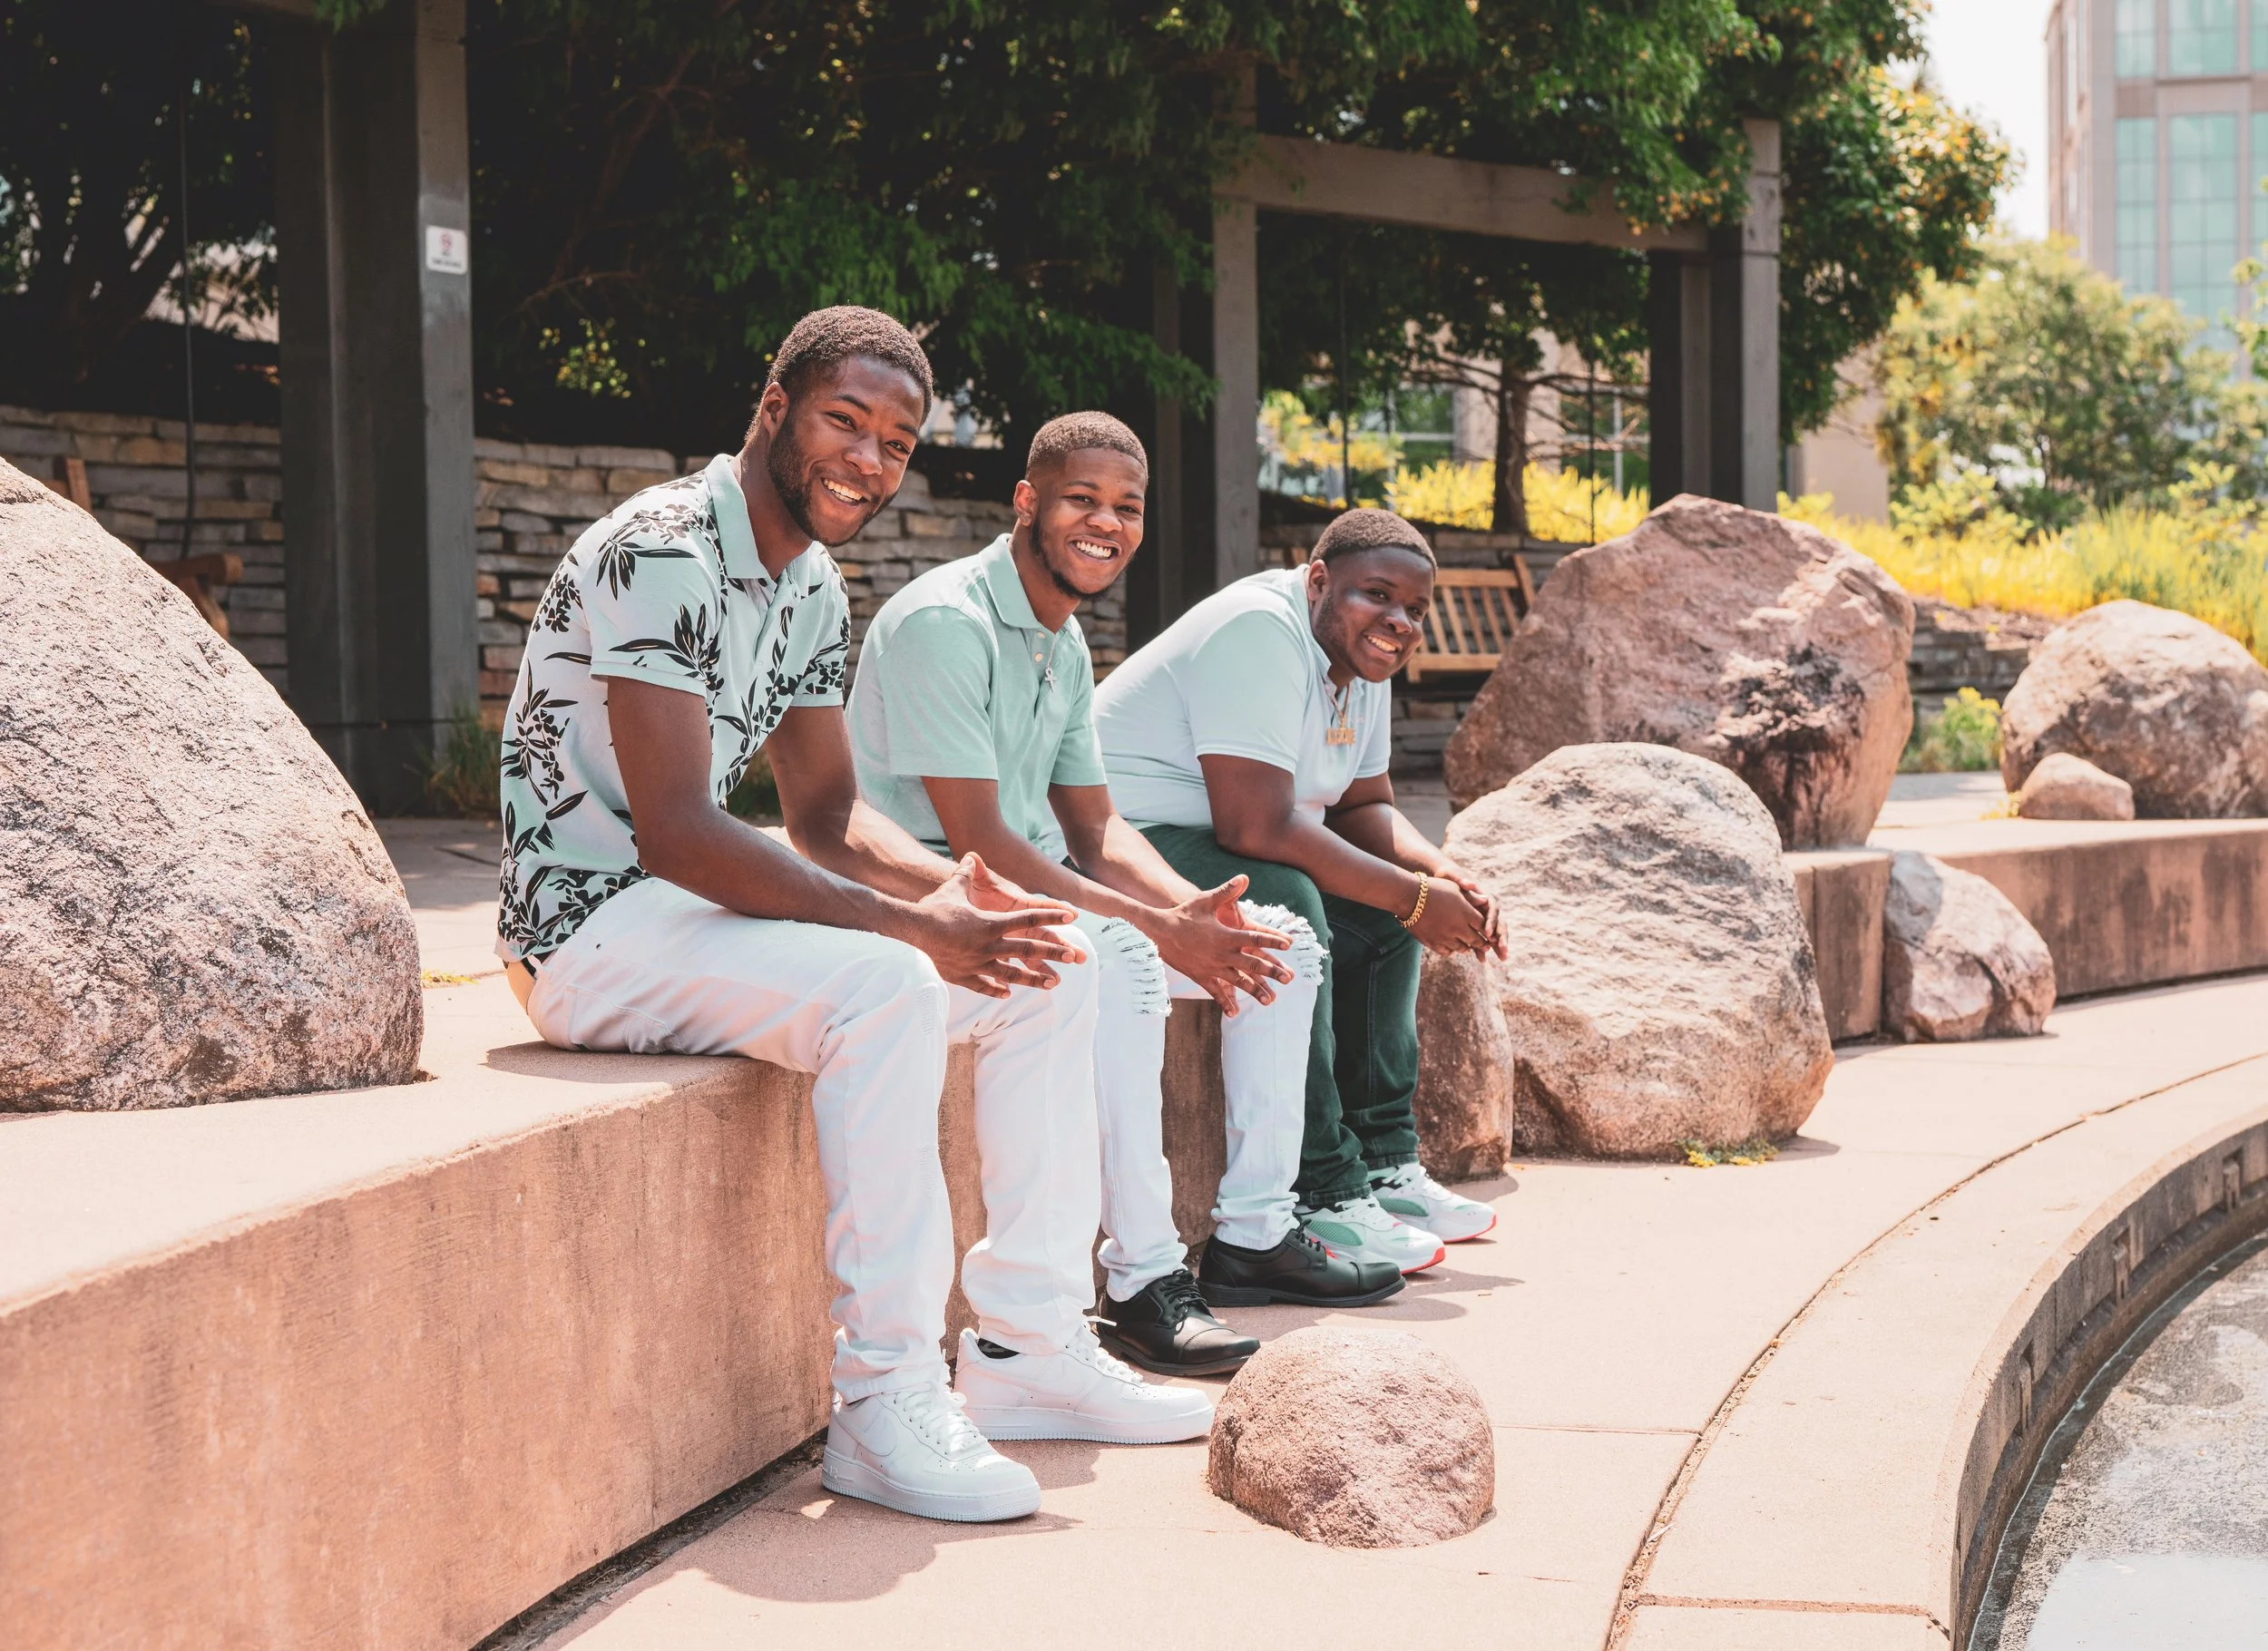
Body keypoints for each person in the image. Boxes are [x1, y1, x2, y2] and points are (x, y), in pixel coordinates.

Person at [494, 308, 1209, 1528]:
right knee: (888, 987)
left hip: (682, 914)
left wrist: (953, 898)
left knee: (1056, 956)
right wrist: (918, 937)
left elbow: (826, 816)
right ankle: (880, 1403)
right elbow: (675, 828)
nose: (869, 459)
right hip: (585, 926)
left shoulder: (811, 583)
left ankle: (1028, 1350)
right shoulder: (662, 548)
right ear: (775, 405)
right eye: (845, 422)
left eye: (895, 440)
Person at [849, 413, 1404, 1377]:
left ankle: (1253, 1233)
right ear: (1027, 502)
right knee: (1128, 959)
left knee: (1279, 943)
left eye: (1125, 507)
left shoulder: (1060, 643)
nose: (1104, 523)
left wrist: (1192, 910)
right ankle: (1143, 1281)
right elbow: (979, 844)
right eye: (1080, 499)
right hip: (937, 892)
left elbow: (1098, 829)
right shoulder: (950, 620)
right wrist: (1154, 927)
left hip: (1021, 884)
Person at [1094, 507, 1509, 1277]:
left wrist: (1438, 875)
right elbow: (1259, 826)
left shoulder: (1361, 659)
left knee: (1386, 918)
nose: (1399, 622)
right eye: (1377, 596)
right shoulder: (1259, 631)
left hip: (1213, 835)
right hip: (1119, 838)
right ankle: (1322, 1184)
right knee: (1292, 895)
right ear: (1319, 580)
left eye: (1415, 609)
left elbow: (1363, 807)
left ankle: (1384, 1164)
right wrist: (1413, 899)